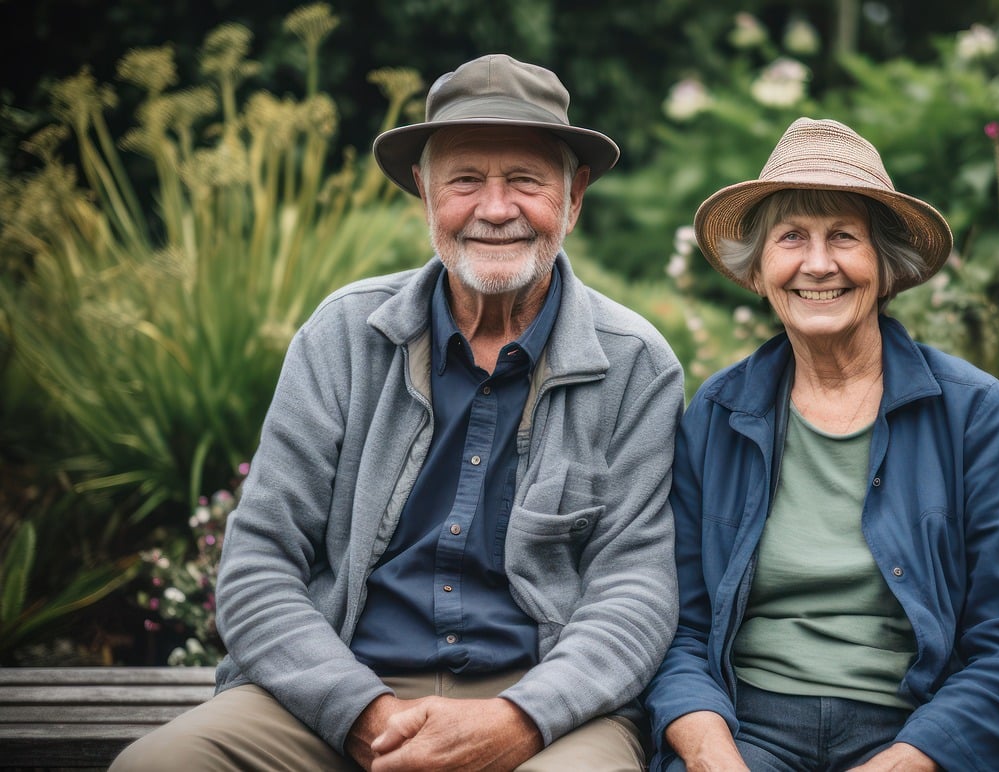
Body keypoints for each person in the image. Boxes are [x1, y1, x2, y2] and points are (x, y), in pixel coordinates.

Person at [111, 54, 685, 772]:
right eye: (466, 180)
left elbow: (637, 591)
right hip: (341, 682)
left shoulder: (635, 363)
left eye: (527, 182)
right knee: (157, 766)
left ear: (573, 199)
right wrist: (362, 714)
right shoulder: (343, 335)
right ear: (424, 191)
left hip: (545, 702)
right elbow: (258, 563)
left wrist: (518, 721)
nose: (496, 208)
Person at [643, 117, 999, 771]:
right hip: (748, 726)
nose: (818, 264)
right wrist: (713, 755)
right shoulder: (718, 415)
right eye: (791, 238)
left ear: (886, 267)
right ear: (758, 271)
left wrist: (907, 759)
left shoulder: (974, 414)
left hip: (917, 729)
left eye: (843, 236)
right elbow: (679, 631)